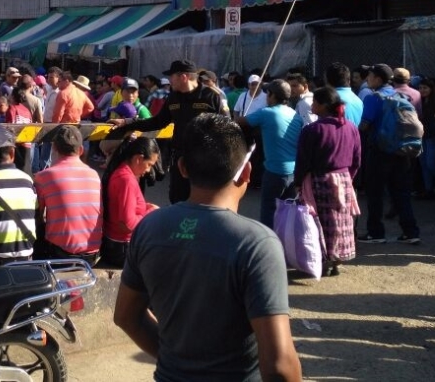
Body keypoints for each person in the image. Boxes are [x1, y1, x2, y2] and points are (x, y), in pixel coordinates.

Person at [113, 113, 302, 382]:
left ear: (182, 168)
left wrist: (176, 362)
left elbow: (126, 316)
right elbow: (280, 366)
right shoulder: (258, 244)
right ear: (246, 171)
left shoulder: (150, 228)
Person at [111, 59, 225, 204]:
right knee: (177, 199)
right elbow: (158, 121)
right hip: (180, 157)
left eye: (172, 76)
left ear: (183, 77)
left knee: (204, 201)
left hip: (204, 159)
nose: (169, 80)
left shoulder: (211, 96)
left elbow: (225, 126)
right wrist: (128, 124)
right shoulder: (173, 97)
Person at [293, 86, 362, 277]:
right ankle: (337, 260)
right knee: (341, 222)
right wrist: (349, 179)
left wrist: (299, 182)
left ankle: (322, 260)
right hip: (345, 179)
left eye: (315, 102)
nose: (312, 105)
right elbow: (357, 160)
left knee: (319, 221)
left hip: (319, 180)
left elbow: (303, 160)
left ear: (323, 106)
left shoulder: (312, 130)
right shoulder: (351, 128)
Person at [358, 63, 421, 245]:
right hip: (401, 151)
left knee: (375, 193)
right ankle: (411, 231)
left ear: (378, 79)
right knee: (401, 192)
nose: (367, 79)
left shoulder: (373, 98)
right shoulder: (400, 95)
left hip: (380, 151)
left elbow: (365, 125)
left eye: (369, 76)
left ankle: (376, 233)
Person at [237, 80, 303, 229]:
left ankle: (269, 245)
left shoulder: (266, 113)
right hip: (294, 172)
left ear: (272, 95)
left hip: (274, 171)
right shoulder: (295, 115)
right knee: (288, 212)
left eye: (268, 94)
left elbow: (240, 121)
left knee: (269, 210)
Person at [33, 125, 103, 262]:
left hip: (61, 254)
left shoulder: (43, 177)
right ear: (81, 150)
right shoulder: (94, 175)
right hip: (92, 254)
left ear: (54, 148)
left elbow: (38, 216)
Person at [101, 136, 159, 268]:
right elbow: (126, 224)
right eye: (149, 165)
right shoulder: (126, 180)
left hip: (117, 244)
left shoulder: (122, 173)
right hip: (122, 248)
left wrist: (145, 207)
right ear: (138, 158)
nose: (149, 170)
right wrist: (150, 212)